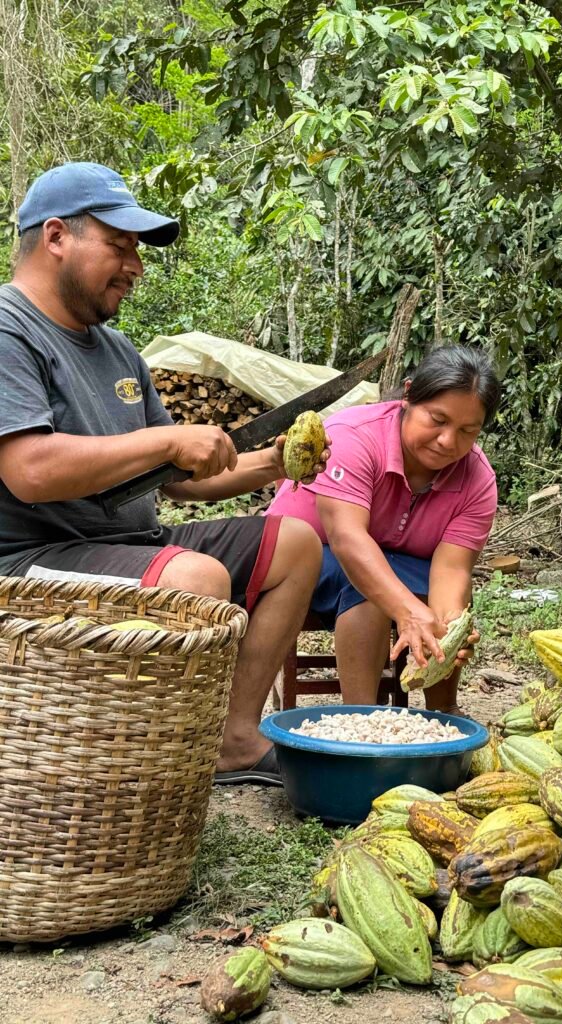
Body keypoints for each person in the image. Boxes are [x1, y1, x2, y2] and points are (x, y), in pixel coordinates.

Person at [0, 162, 329, 786]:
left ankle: (235, 738)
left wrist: (271, 460)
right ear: (55, 237)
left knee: (295, 541)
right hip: (31, 558)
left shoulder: (119, 351)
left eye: (137, 251)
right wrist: (167, 437)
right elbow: (29, 471)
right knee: (194, 580)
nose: (135, 266)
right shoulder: (9, 328)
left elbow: (177, 480)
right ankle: (150, 772)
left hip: (127, 546)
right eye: (119, 245)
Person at [267, 345, 500, 714]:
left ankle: (443, 712)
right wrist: (407, 610)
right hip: (303, 558)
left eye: (467, 431)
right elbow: (348, 539)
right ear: (408, 395)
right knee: (370, 585)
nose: (448, 441)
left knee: (450, 606)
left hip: (389, 557)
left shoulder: (477, 478)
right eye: (437, 420)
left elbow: (452, 568)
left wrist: (449, 628)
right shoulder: (353, 435)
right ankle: (361, 719)